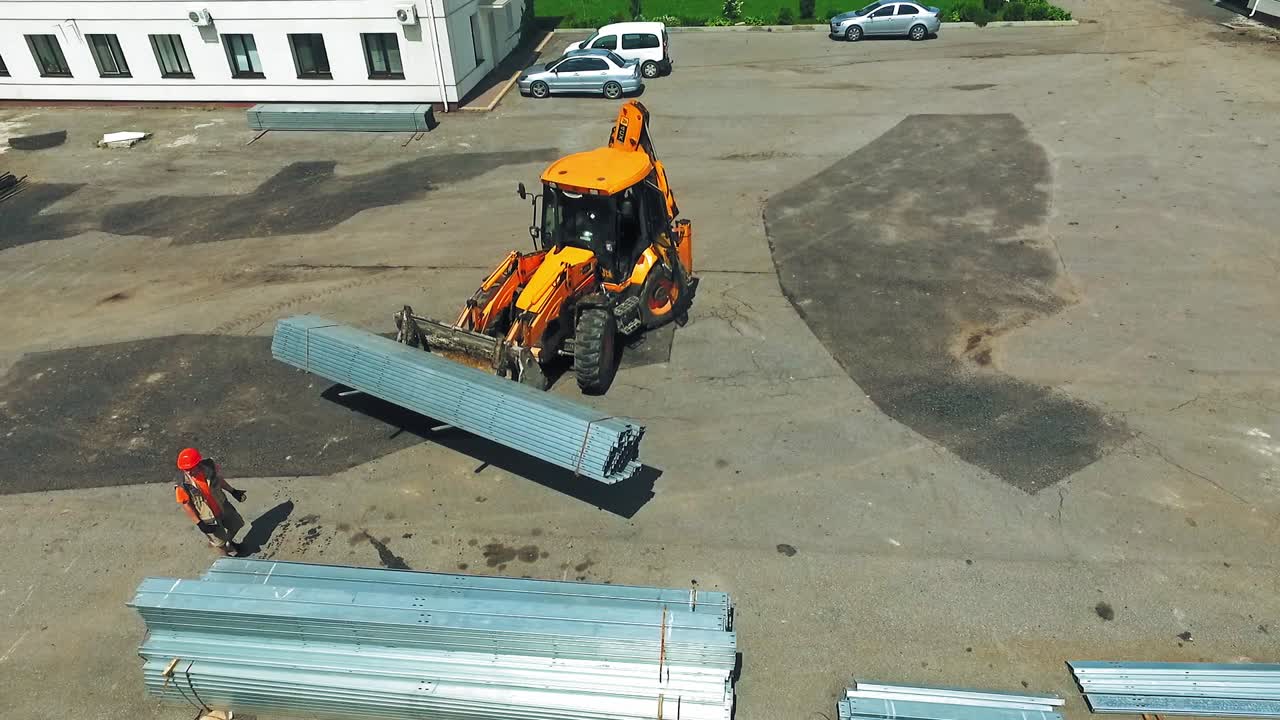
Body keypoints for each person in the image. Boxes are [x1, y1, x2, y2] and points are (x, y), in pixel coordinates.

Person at [174, 448, 247, 557]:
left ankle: (228, 543)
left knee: (237, 524)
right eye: (185, 469)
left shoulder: (209, 467)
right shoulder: (182, 483)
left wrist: (233, 491)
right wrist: (199, 523)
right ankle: (225, 558)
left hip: (223, 506)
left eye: (190, 468)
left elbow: (219, 481)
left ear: (198, 463)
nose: (188, 472)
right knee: (219, 543)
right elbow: (186, 504)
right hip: (208, 517)